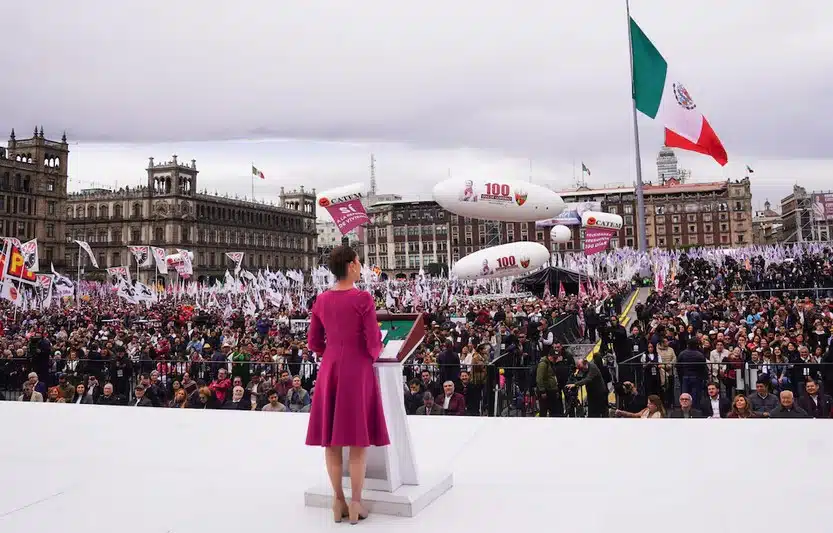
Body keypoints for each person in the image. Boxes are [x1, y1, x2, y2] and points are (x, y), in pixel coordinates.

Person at [305, 245, 390, 524]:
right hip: (357, 369)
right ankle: (356, 503)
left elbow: (314, 342)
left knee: (331, 441)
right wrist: (374, 353)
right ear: (352, 265)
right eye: (359, 262)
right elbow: (373, 340)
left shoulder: (321, 300)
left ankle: (337, 501)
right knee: (356, 441)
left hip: (330, 369)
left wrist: (331, 354)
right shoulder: (363, 298)